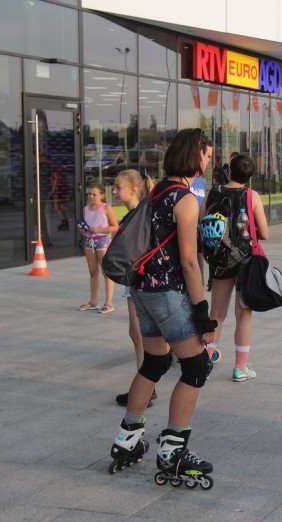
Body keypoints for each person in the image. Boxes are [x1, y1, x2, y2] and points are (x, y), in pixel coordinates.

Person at [107, 128, 219, 487]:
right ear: (195, 155)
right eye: (206, 154)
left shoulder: (157, 193)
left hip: (141, 290)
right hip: (168, 292)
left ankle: (126, 440)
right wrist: (202, 309)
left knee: (155, 362)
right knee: (197, 366)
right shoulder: (185, 199)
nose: (208, 160)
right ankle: (172, 450)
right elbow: (188, 262)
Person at [202, 154, 269, 382]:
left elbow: (202, 222)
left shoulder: (213, 192)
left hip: (219, 259)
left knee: (216, 314)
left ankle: (204, 364)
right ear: (249, 176)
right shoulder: (251, 196)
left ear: (229, 171)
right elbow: (265, 232)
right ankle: (240, 369)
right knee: (243, 315)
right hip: (244, 260)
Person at [112, 169, 158, 408]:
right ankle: (148, 386)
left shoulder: (141, 213)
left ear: (134, 189)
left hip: (141, 279)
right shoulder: (136, 213)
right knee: (138, 333)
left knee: (140, 334)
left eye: (118, 187)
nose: (114, 191)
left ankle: (146, 389)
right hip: (137, 279)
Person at [77, 183, 118, 314]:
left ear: (101, 195)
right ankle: (93, 302)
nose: (91, 196)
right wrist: (83, 231)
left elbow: (115, 227)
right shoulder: (86, 209)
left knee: (106, 272)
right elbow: (86, 225)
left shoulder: (106, 208)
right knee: (93, 272)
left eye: (94, 194)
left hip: (103, 241)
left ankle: (109, 303)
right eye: (89, 194)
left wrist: (99, 230)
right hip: (89, 241)